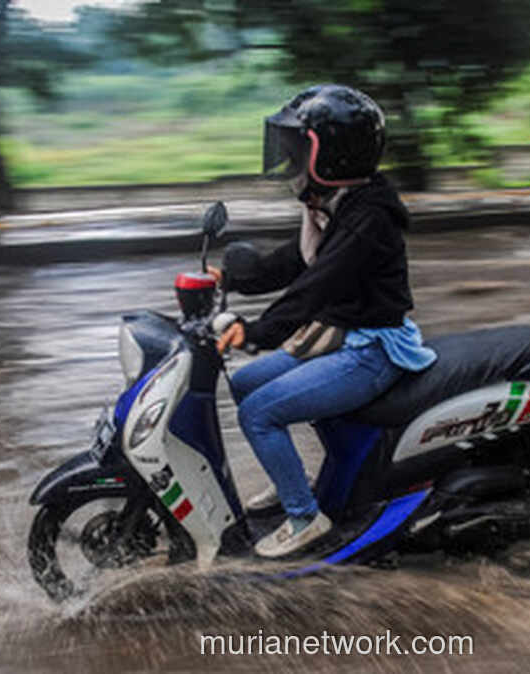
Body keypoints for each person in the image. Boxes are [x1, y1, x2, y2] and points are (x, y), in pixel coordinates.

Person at [209, 84, 436, 558]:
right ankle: (293, 479)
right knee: (246, 384)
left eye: (297, 150)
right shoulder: (334, 206)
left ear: (331, 155)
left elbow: (316, 289)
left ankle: (305, 517)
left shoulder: (368, 218)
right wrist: (228, 278)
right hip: (344, 338)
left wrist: (254, 332)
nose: (289, 161)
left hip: (371, 350)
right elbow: (293, 263)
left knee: (259, 413)